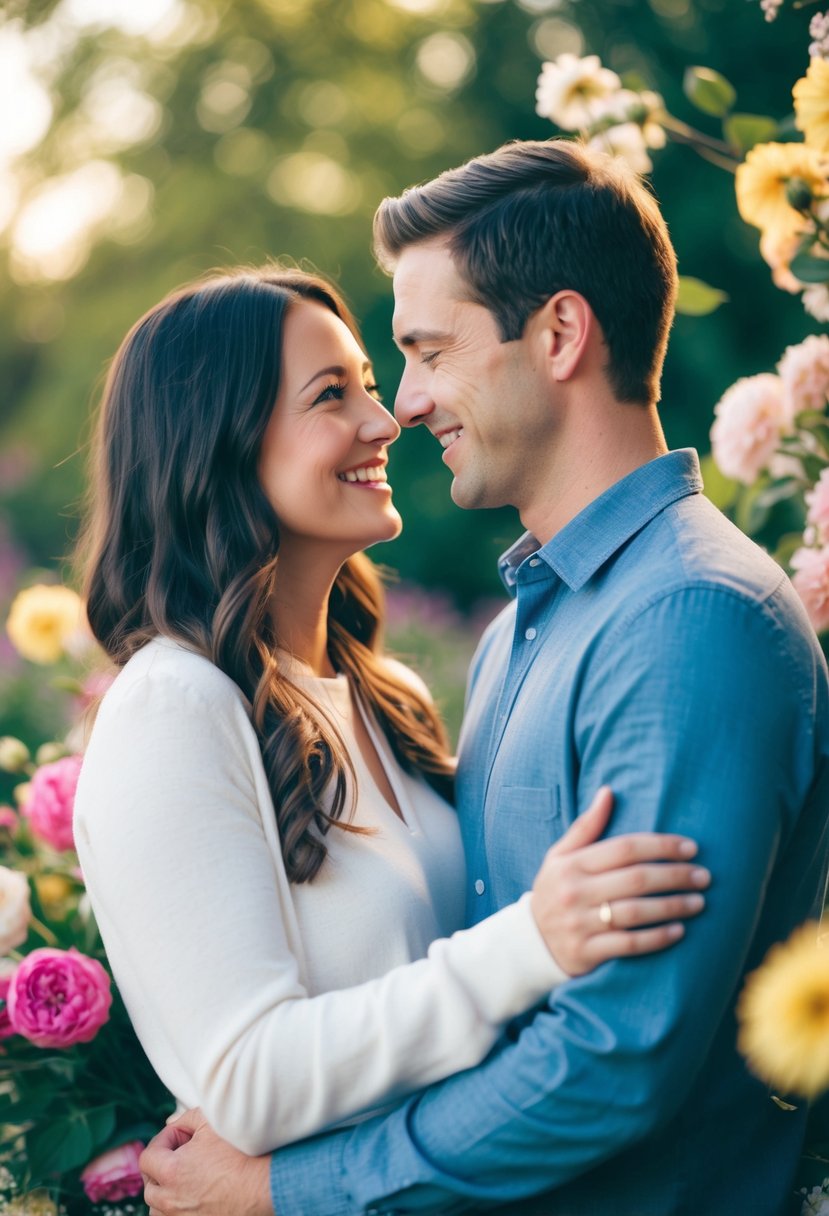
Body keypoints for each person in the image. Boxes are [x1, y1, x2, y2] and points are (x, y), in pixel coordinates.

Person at [140, 139, 829, 1216]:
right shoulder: (523, 631)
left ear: (557, 333)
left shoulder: (690, 622)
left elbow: (614, 1057)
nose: (403, 404)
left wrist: (293, 1188)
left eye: (424, 350)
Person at [73, 266, 707, 1186]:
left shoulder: (381, 693)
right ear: (215, 444)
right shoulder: (175, 706)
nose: (384, 420)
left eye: (369, 384)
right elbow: (246, 1079)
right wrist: (532, 942)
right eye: (332, 396)